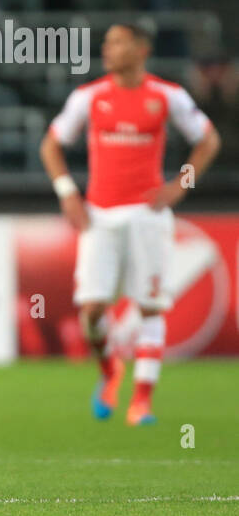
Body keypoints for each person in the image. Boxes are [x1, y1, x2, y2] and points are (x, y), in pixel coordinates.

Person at [39, 24, 221, 425]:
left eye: (118, 42)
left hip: (148, 215)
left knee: (150, 306)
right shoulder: (89, 97)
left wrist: (180, 186)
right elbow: (51, 144)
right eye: (107, 43)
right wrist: (68, 192)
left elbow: (208, 139)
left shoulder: (167, 95)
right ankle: (109, 371)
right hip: (99, 215)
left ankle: (142, 401)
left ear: (141, 49)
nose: (109, 49)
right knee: (91, 310)